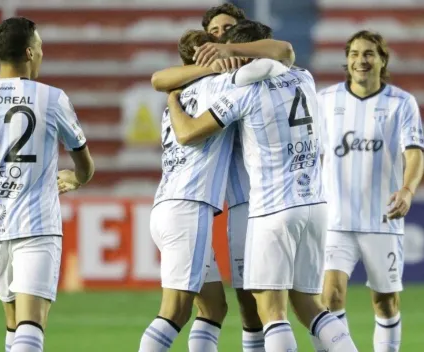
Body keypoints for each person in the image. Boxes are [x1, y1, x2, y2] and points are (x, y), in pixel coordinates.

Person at [166, 20, 359, 352]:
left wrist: (172, 100)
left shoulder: (243, 93)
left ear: (241, 53)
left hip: (273, 208)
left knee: (271, 312)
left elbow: (188, 134)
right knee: (310, 306)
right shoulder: (304, 78)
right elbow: (282, 53)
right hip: (315, 205)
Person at [151, 5, 294, 350]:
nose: (220, 36)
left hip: (250, 202)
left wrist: (175, 95)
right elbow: (159, 80)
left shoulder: (255, 72)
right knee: (184, 310)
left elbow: (284, 52)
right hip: (203, 203)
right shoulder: (216, 83)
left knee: (228, 308)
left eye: (228, 29)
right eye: (213, 31)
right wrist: (209, 68)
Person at [0, 17, 94, 352]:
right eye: (41, 47)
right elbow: (84, 164)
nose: (43, 54)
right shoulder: (52, 98)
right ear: (29, 53)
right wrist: (75, 179)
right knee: (31, 325)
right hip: (36, 225)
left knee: (14, 323)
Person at [315, 30, 424, 352]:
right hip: (335, 218)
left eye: (368, 54)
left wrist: (406, 189)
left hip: (383, 217)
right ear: (347, 60)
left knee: (386, 302)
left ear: (382, 60)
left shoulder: (401, 103)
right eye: (354, 54)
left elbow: (415, 152)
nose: (360, 60)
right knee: (330, 297)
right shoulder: (325, 100)